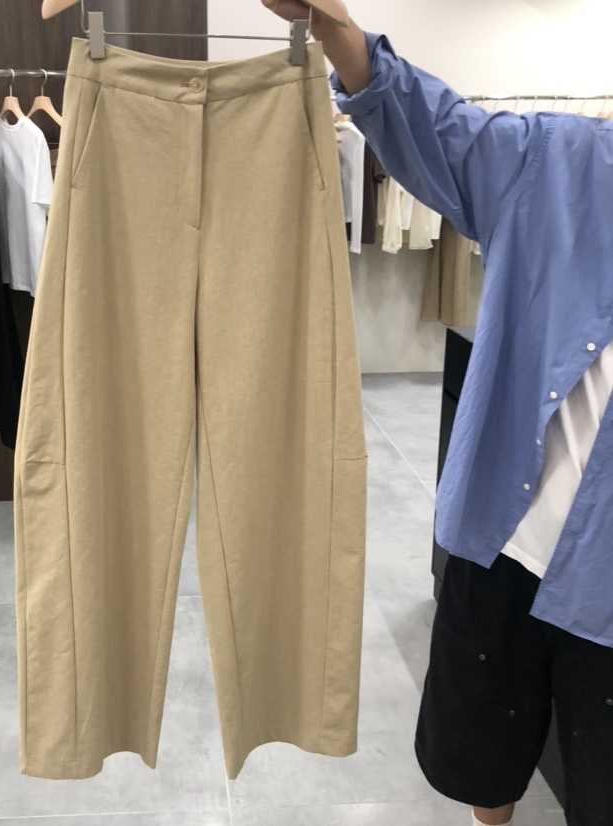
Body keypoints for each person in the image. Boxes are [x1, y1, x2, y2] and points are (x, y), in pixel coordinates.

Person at [263, 3, 613, 826]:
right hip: (503, 536)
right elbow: (435, 126)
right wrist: (334, 26)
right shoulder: (563, 161)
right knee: (480, 757)